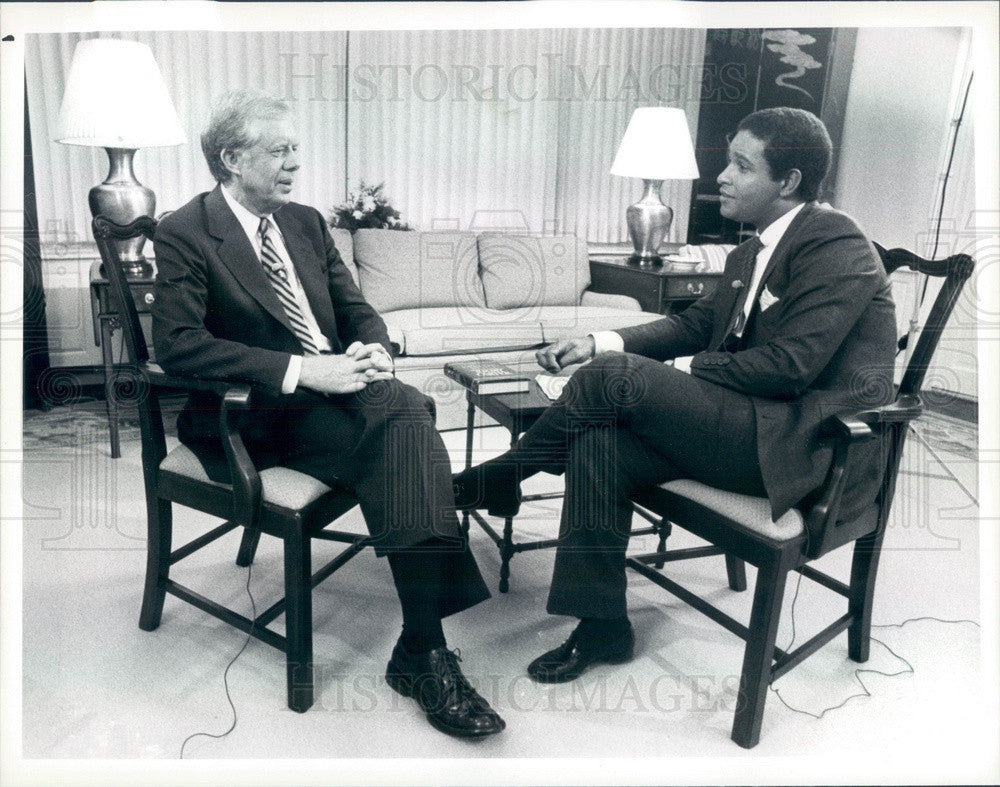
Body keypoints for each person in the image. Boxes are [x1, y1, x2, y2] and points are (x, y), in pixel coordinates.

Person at [454, 107, 897, 684]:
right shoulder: (750, 250)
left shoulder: (836, 242)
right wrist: (598, 339)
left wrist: (664, 370)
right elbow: (694, 325)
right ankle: (603, 625)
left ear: (788, 182)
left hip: (801, 446)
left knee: (618, 377)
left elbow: (790, 368)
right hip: (746, 424)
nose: (722, 178)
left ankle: (508, 473)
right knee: (601, 442)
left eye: (741, 166)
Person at [152, 89, 504, 738]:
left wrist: (373, 342)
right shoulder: (185, 231)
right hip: (250, 417)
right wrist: (300, 369)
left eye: (296, 149)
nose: (295, 163)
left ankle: (422, 646)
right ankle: (423, 651)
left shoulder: (306, 222)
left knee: (401, 417)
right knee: (410, 416)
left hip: (329, 398)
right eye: (279, 150)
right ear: (231, 158)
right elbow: (175, 345)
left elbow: (354, 306)